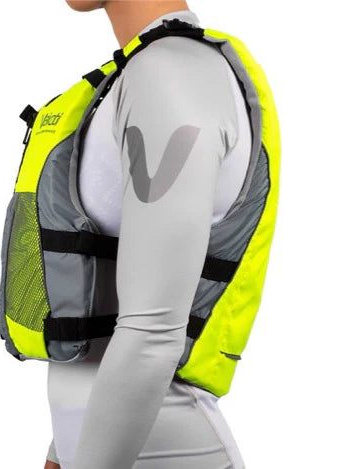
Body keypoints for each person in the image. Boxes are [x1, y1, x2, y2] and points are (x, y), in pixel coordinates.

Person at [45, 1, 252, 468]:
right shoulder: (139, 74)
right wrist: (61, 448)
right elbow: (98, 297)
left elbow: (153, 333)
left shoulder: (170, 74)